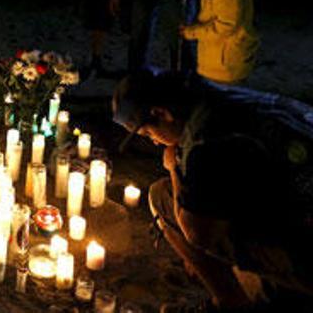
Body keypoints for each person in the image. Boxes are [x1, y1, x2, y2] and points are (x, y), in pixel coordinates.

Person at [112, 71, 313, 310]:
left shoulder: (206, 144)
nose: (154, 142)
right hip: (294, 200)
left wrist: (173, 167)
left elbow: (197, 235)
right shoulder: (214, 98)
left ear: (161, 113)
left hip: (304, 249)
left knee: (163, 198)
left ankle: (232, 301)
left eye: (148, 133)